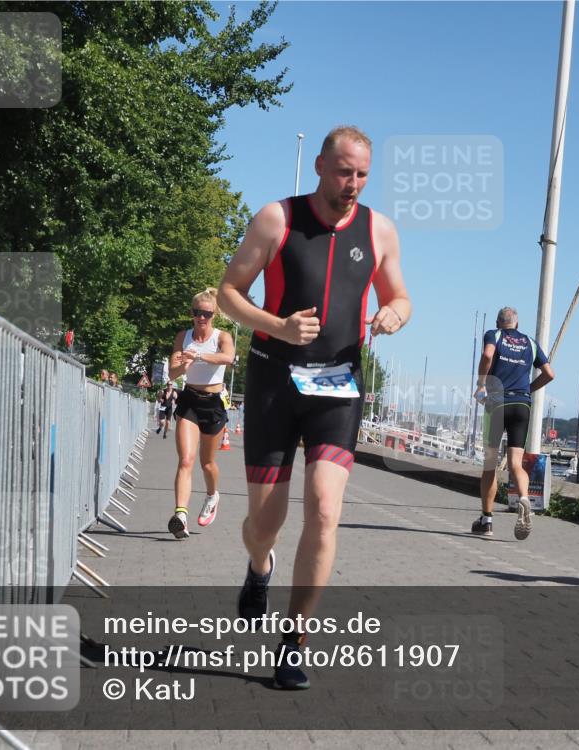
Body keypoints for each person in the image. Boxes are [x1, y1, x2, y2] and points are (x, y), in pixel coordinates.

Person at [217, 125, 410, 689]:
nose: (353, 184)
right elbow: (230, 291)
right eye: (345, 171)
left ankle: (295, 640)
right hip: (276, 379)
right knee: (265, 522)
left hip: (338, 386)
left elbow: (400, 294)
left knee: (324, 509)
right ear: (321, 165)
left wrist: (396, 313)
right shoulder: (277, 218)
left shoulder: (380, 230)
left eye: (363, 175)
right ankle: (259, 566)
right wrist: (277, 325)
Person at [472, 307, 554, 541]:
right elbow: (549, 373)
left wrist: (480, 384)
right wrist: (528, 390)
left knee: (490, 465)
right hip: (522, 405)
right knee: (516, 463)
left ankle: (486, 521)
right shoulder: (530, 342)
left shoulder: (494, 335)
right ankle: (525, 498)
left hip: (498, 404)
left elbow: (488, 355)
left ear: (499, 323)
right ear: (516, 325)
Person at [166, 288, 236, 539]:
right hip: (190, 401)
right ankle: (180, 516)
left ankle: (211, 496)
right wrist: (184, 364)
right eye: (197, 313)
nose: (202, 317)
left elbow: (229, 357)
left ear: (214, 314)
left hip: (214, 404)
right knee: (186, 459)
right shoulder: (182, 337)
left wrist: (200, 355)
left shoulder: (221, 337)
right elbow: (172, 374)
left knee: (207, 464)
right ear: (192, 313)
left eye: (207, 313)